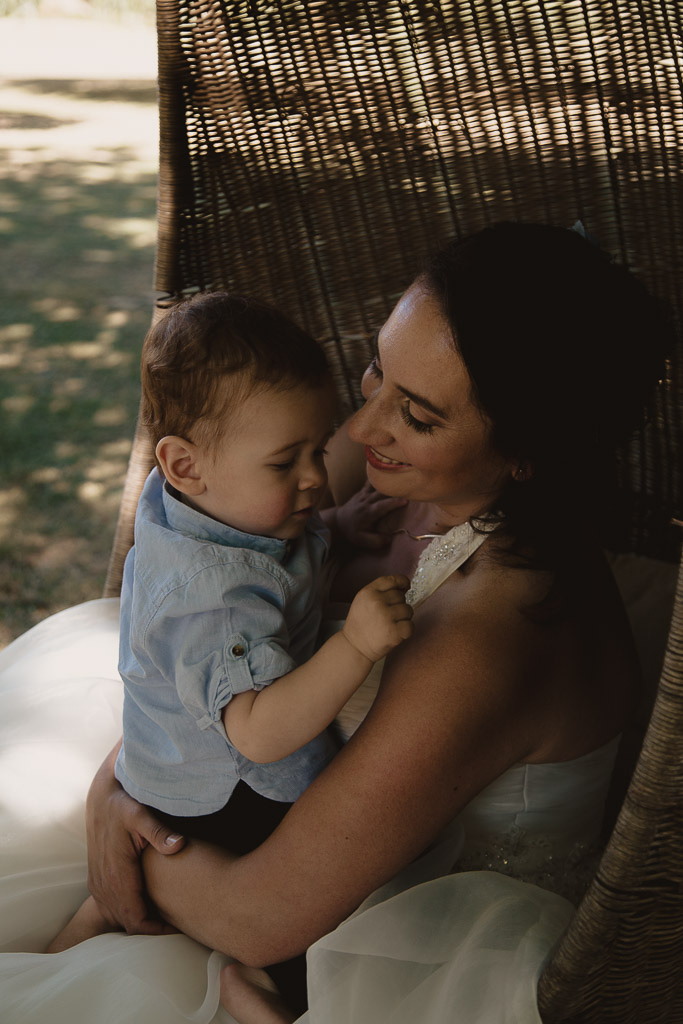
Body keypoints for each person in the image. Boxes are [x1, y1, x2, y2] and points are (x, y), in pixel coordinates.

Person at [0, 222, 672, 1024]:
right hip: (250, 797)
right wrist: (115, 789)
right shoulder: (412, 467)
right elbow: (200, 638)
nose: (359, 432)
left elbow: (257, 917)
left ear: (524, 451)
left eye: (415, 414)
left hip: (386, 940)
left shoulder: (493, 634)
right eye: (375, 372)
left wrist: (141, 847)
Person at [44, 292, 413, 1016]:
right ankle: (262, 984)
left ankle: (91, 922)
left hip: (169, 761)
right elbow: (260, 730)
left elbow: (283, 543)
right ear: (184, 466)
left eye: (317, 449)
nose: (316, 475)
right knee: (330, 905)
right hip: (227, 788)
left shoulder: (219, 502)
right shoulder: (214, 597)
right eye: (287, 464)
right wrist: (357, 648)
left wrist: (335, 525)